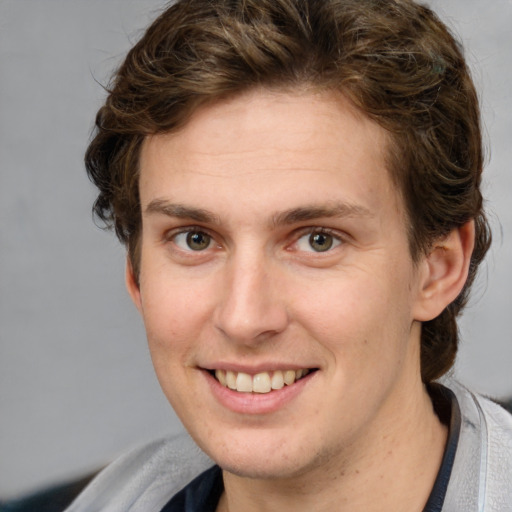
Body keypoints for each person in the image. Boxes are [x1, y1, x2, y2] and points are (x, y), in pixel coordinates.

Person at [66, 0, 512, 510]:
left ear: (437, 268)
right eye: (195, 238)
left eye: (317, 239)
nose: (244, 317)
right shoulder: (113, 499)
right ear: (136, 272)